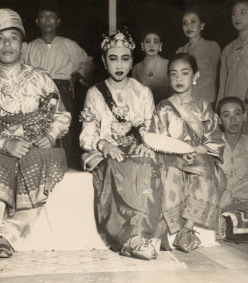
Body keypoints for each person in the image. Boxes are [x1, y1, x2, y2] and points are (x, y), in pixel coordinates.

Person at [0, 8, 71, 266]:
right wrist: (4, 143)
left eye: (13, 37)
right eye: (0, 39)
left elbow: (62, 116)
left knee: (42, 163)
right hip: (1, 147)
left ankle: (8, 236)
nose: (7, 44)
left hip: (37, 147)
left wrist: (50, 134)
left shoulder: (41, 78)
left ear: (23, 45)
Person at [80, 28, 164, 260]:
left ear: (131, 61)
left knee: (148, 163)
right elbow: (86, 135)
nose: (119, 65)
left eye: (125, 59)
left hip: (136, 147)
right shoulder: (95, 94)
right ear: (104, 61)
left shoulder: (143, 91)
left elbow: (151, 127)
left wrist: (146, 144)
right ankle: (129, 237)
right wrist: (104, 145)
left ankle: (145, 234)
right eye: (113, 58)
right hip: (104, 151)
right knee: (120, 165)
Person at [152, 53, 225, 253]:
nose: (179, 79)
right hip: (171, 157)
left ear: (195, 76)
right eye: (173, 74)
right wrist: (177, 153)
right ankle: (170, 227)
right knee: (172, 173)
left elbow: (214, 138)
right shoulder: (163, 107)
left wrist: (202, 149)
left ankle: (188, 228)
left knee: (203, 166)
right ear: (168, 78)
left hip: (200, 156)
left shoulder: (203, 106)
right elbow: (157, 139)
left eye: (184, 73)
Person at [22, 1, 94, 169]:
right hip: (37, 95)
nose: (47, 20)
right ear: (37, 21)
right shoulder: (29, 48)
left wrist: (76, 76)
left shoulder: (69, 45)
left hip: (63, 93)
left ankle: (66, 167)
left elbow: (88, 62)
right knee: (39, 133)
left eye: (51, 17)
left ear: (58, 21)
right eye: (43, 16)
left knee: (64, 131)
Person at [217, 0, 248, 139]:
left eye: (243, 13)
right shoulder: (228, 49)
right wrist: (219, 110)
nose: (237, 17)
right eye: (234, 14)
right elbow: (222, 84)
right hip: (229, 110)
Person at [176, 6, 221, 105]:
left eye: (193, 22)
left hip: (207, 103)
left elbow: (218, 77)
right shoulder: (180, 51)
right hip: (185, 104)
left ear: (202, 25)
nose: (189, 26)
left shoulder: (212, 47)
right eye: (185, 23)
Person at [132, 28, 169, 105]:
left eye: (155, 42)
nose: (151, 45)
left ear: (160, 45)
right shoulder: (136, 68)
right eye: (148, 41)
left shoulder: (169, 65)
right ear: (142, 45)